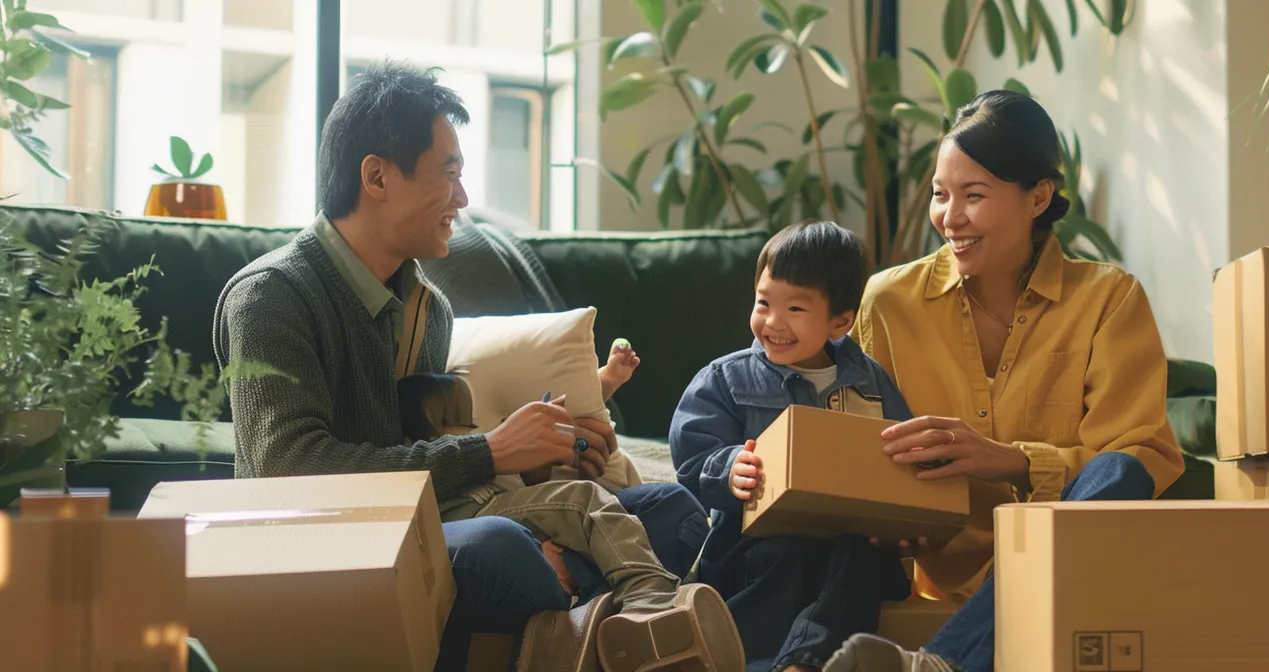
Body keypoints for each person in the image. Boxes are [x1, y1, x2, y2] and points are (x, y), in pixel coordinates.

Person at [212, 61, 742, 671]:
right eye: (449, 173)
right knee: (499, 548)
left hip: (429, 527)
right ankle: (618, 629)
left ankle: (589, 633)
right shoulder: (271, 297)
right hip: (328, 548)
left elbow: (425, 458)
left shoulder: (426, 308)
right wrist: (490, 452)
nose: (463, 200)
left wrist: (536, 465)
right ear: (377, 176)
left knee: (670, 511)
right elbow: (287, 470)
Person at [819, 91, 1185, 672]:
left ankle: (938, 663)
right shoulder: (887, 302)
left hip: (1076, 554)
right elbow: (859, 447)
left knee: (1121, 470)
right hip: (935, 568)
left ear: (1037, 197)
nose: (950, 217)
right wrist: (893, 518)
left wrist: (1012, 461)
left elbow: (1142, 455)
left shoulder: (1108, 299)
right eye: (940, 194)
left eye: (974, 195)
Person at [669, 221, 914, 672]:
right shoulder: (726, 378)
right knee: (785, 552)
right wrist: (730, 468)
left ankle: (802, 662)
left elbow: (901, 450)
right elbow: (692, 459)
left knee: (858, 554)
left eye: (796, 308)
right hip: (756, 545)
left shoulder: (870, 381)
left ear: (841, 322)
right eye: (763, 302)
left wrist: (901, 514)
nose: (773, 322)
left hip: (849, 541)